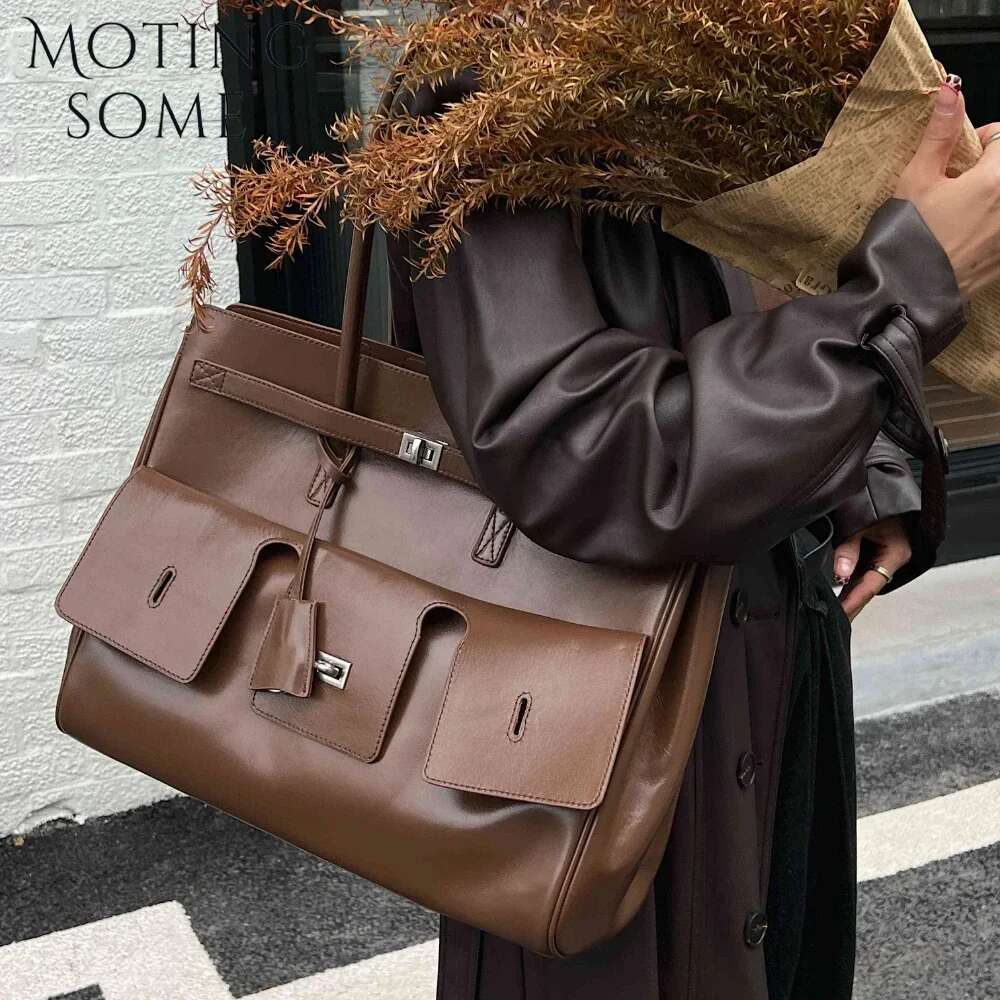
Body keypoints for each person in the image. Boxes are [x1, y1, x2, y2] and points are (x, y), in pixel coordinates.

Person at [387, 74, 1000, 1000]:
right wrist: (909, 286)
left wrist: (863, 469)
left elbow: (762, 301)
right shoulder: (483, 97)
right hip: (594, 713)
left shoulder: (693, 64)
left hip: (779, 642)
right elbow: (584, 450)